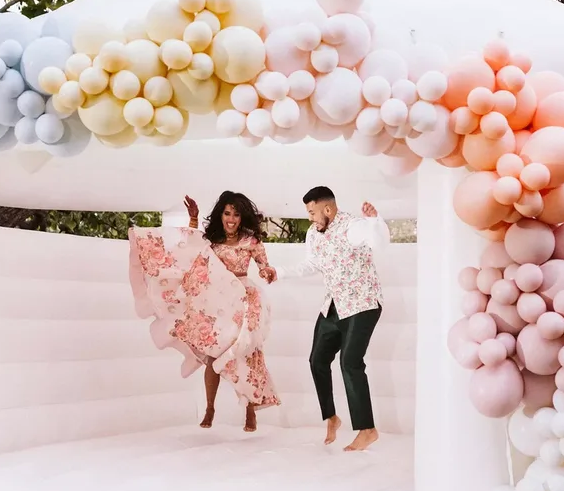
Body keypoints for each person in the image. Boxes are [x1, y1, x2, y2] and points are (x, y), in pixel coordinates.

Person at [128, 191, 280, 433]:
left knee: (246, 353)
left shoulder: (251, 242)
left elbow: (264, 265)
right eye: (227, 213)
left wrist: (267, 272)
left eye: (236, 215)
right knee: (213, 354)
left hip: (242, 300)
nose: (231, 219)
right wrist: (193, 219)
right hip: (217, 301)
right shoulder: (213, 240)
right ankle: (210, 408)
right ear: (221, 215)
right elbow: (190, 247)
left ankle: (250, 410)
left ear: (242, 218)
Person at [276, 186, 389, 451]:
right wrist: (280, 272)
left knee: (350, 362)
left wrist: (375, 221)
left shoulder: (354, 226)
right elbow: (311, 264)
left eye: (313, 212)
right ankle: (331, 417)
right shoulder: (313, 233)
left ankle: (367, 429)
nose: (310, 217)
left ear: (328, 209)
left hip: (363, 304)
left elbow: (379, 242)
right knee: (317, 360)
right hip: (334, 305)